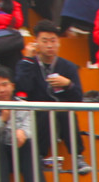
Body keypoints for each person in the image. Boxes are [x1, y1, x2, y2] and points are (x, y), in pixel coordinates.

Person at [14, 22, 89, 173]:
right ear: (36, 43)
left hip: (61, 112)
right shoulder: (28, 63)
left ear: (59, 43)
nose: (49, 45)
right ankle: (40, 156)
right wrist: (27, 60)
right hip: (36, 113)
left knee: (65, 111)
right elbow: (22, 87)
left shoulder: (68, 67)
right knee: (45, 111)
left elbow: (78, 98)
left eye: (53, 41)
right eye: (45, 41)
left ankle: (77, 157)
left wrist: (68, 84)